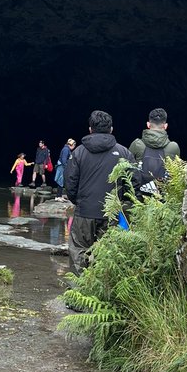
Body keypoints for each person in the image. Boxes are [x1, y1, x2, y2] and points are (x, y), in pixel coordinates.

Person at [64, 110, 132, 274]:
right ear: (111, 129)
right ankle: (103, 285)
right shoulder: (124, 153)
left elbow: (70, 182)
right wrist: (122, 204)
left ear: (90, 129)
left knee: (79, 250)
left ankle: (79, 287)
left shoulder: (78, 152)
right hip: (111, 213)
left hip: (85, 211)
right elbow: (132, 184)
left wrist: (78, 201)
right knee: (108, 253)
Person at [128, 107, 181, 192]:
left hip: (138, 196)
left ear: (148, 125)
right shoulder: (173, 147)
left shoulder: (137, 144)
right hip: (164, 196)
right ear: (165, 126)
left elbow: (126, 169)